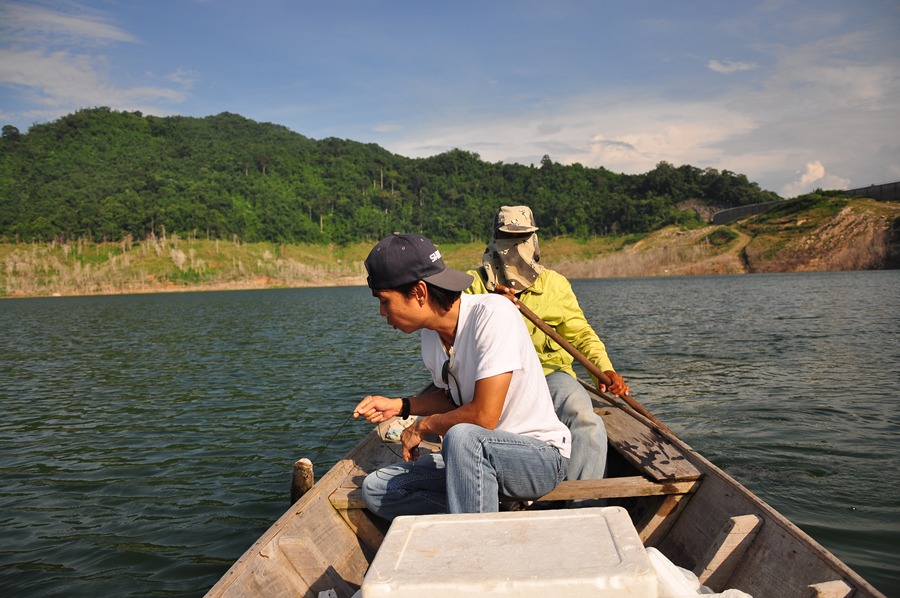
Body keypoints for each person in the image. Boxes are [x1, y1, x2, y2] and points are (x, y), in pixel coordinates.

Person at [352, 232, 570, 521]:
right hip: (473, 461)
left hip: (537, 459)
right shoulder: (431, 338)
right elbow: (453, 400)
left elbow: (483, 416)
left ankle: (473, 549)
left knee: (462, 437)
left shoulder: (493, 315)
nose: (382, 313)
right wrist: (401, 406)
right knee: (377, 489)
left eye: (385, 301)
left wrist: (421, 427)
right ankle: (490, 514)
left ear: (419, 292)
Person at [466, 205, 630, 484]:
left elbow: (580, 335)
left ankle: (581, 505)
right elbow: (454, 338)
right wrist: (494, 306)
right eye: (507, 238)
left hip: (551, 376)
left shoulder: (555, 285)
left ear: (534, 240)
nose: (516, 247)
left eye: (523, 238)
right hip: (495, 383)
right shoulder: (473, 285)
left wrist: (605, 370)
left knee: (585, 421)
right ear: (494, 239)